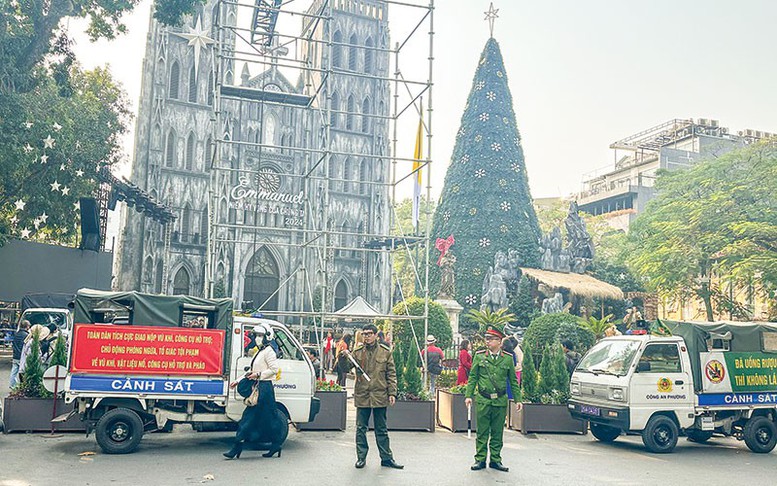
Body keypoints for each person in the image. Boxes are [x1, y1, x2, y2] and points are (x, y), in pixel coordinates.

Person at [338, 323, 403, 470]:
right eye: (364, 334)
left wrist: (392, 392)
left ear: (375, 335)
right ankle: (361, 458)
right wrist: (342, 357)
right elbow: (345, 368)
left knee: (381, 429)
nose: (366, 336)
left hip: (380, 394)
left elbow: (391, 374)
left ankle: (386, 458)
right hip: (363, 394)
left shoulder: (385, 352)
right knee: (361, 428)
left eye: (369, 334)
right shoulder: (358, 352)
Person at [465, 325, 521, 473]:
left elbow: (513, 381)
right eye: (487, 339)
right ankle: (480, 459)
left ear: (499, 341)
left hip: (500, 401)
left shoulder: (507, 359)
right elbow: (473, 377)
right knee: (482, 432)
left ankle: (496, 459)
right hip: (484, 399)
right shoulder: (480, 356)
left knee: (497, 432)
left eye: (491, 339)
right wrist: (468, 395)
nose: (487, 341)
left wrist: (518, 399)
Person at [224, 324, 283, 459]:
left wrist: (258, 375)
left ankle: (237, 447)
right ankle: (275, 445)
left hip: (264, 389)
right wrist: (238, 381)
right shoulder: (260, 351)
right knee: (265, 419)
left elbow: (274, 370)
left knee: (254, 419)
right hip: (258, 387)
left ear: (267, 337)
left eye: (260, 336)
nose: (257, 338)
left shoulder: (269, 351)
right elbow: (250, 371)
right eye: (256, 335)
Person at [9, 320, 30, 389]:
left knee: (14, 371)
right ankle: (23, 386)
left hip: (15, 355)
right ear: (27, 327)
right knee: (23, 372)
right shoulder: (26, 335)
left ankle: (12, 385)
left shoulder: (16, 334)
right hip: (22, 356)